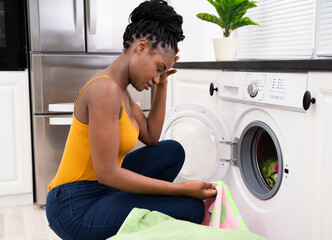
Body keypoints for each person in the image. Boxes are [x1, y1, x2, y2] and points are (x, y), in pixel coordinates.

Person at [45, 1, 217, 239]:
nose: (156, 79)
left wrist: (164, 82)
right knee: (191, 209)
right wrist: (179, 190)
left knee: (171, 151)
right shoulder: (105, 90)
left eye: (162, 72)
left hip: (101, 189)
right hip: (74, 207)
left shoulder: (123, 93)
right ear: (142, 47)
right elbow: (108, 174)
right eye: (158, 68)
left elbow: (152, 137)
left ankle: (132, 212)